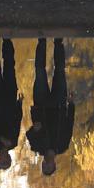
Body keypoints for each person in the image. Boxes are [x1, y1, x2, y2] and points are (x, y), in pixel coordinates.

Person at [26, 38, 74, 176]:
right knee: (59, 70)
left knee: (40, 71)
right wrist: (70, 104)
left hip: (41, 105)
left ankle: (42, 41)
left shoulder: (37, 147)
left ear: (42, 163)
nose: (47, 164)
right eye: (49, 167)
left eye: (44, 167)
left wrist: (35, 129)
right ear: (54, 165)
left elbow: (29, 135)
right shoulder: (62, 146)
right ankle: (58, 42)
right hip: (59, 104)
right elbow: (69, 123)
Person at [0, 38, 23, 170]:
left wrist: (1, 139)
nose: (5, 158)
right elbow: (17, 121)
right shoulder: (14, 143)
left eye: (3, 161)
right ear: (10, 158)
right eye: (8, 161)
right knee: (9, 67)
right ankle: (7, 40)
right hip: (10, 99)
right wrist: (19, 105)